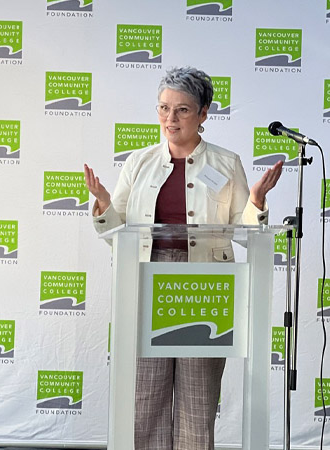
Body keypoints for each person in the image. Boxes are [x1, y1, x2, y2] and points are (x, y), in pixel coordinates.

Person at [84, 66, 282, 450]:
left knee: (198, 399)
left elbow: (245, 228)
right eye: (163, 108)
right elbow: (116, 233)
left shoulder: (226, 163)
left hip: (204, 286)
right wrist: (105, 205)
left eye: (182, 110)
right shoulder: (138, 162)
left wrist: (256, 201)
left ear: (204, 113)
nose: (170, 118)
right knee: (145, 398)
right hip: (147, 281)